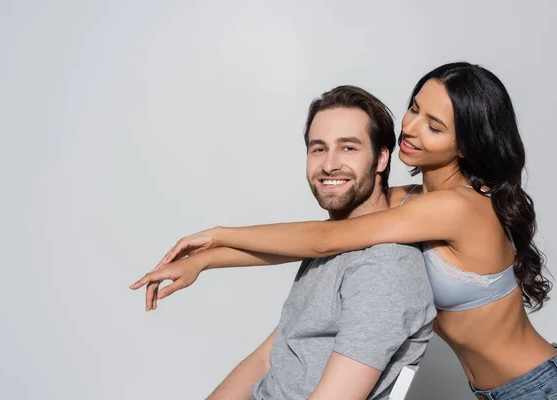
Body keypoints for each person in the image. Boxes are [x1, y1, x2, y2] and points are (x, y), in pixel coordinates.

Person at [131, 62, 557, 399]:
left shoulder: (458, 207)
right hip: (489, 390)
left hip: (537, 385)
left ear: (466, 143)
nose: (409, 128)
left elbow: (322, 240)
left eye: (434, 125)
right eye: (414, 108)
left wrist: (219, 232)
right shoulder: (409, 199)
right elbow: (312, 238)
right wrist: (205, 260)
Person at [132, 85, 436, 399]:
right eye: (318, 148)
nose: (329, 164)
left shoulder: (384, 269)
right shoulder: (329, 245)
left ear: (381, 159)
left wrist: (214, 243)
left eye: (348, 148)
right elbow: (269, 357)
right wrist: (204, 259)